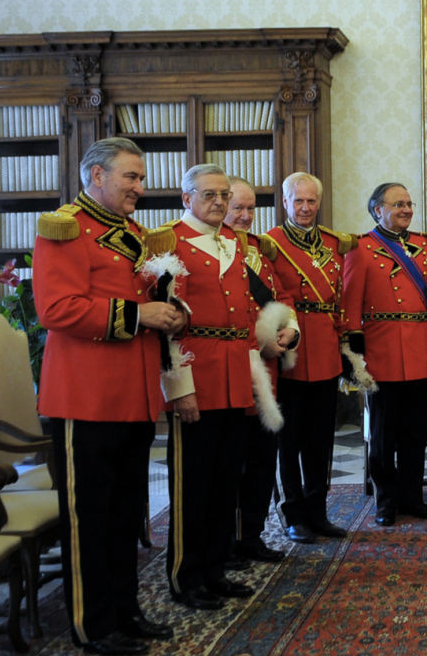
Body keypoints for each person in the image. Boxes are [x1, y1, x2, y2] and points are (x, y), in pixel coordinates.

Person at [35, 137, 182, 656]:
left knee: (125, 515)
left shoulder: (136, 234)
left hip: (135, 395)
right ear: (96, 176)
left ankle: (126, 611)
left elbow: (149, 297)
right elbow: (57, 309)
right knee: (90, 519)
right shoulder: (66, 227)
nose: (140, 187)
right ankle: (91, 624)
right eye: (130, 178)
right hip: (86, 399)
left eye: (141, 178)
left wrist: (168, 309)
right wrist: (139, 315)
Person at [149, 163, 270, 610]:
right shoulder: (169, 242)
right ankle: (186, 576)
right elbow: (164, 325)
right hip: (195, 376)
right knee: (193, 485)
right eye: (208, 195)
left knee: (225, 483)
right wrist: (178, 387)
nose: (219, 203)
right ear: (187, 199)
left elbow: (244, 317)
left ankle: (216, 569)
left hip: (234, 376)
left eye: (224, 195)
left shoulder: (233, 244)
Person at [342, 182, 427, 526]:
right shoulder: (361, 248)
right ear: (377, 209)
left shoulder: (424, 247)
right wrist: (354, 358)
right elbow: (350, 307)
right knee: (381, 437)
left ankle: (413, 498)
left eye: (409, 204)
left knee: (414, 435)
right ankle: (385, 501)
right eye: (398, 204)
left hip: (420, 352)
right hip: (382, 354)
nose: (406, 209)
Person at [262, 172, 359, 543]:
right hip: (290, 350)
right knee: (289, 442)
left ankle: (318, 512)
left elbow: (339, 299)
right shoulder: (271, 244)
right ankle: (294, 514)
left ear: (319, 203)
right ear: (285, 202)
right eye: (297, 201)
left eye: (311, 201)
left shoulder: (335, 243)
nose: (305, 208)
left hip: (326, 349)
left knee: (321, 440)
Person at [224, 177, 300, 564]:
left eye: (250, 208)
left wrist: (289, 329)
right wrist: (262, 343)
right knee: (229, 464)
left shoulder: (259, 251)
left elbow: (282, 296)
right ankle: (225, 543)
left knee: (260, 460)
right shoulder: (213, 249)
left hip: (267, 372)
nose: (244, 215)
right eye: (236, 207)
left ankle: (250, 535)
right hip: (230, 372)